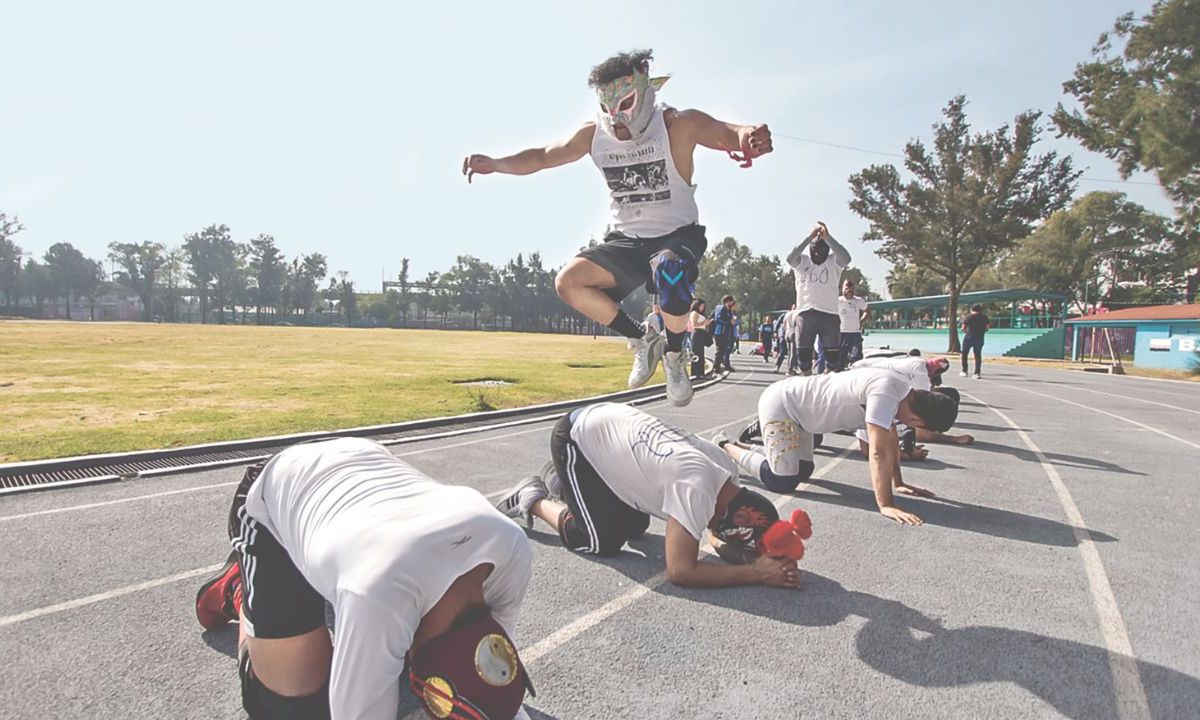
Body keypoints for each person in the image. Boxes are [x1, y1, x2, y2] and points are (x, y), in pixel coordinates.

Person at [463, 49, 773, 407]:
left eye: (626, 104)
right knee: (568, 281)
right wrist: (497, 164)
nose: (619, 120)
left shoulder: (676, 125)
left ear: (644, 91)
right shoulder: (593, 134)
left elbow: (726, 131)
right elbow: (544, 155)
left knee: (670, 270)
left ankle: (675, 356)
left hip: (675, 236)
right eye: (609, 110)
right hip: (626, 241)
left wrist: (749, 135)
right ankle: (643, 339)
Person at [193, 438, 535, 720]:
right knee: (294, 709)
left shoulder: (513, 549)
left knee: (380, 659)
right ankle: (239, 590)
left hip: (361, 470)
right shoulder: (377, 596)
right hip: (272, 500)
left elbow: (492, 672)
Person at [493, 403, 805, 588]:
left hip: (611, 429)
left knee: (635, 526)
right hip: (578, 439)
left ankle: (566, 485)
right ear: (738, 517)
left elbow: (715, 537)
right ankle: (533, 496)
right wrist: (754, 573)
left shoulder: (725, 473)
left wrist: (754, 559)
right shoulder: (696, 488)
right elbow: (681, 571)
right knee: (600, 540)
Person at [715, 369, 958, 525]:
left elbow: (891, 440)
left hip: (803, 416)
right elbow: (878, 451)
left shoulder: (903, 392)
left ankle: (745, 445)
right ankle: (725, 445)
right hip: (783, 404)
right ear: (917, 422)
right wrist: (886, 505)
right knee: (783, 481)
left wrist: (899, 483)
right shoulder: (886, 393)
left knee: (804, 471)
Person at [787, 222, 851, 375]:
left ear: (826, 251)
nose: (817, 256)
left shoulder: (833, 261)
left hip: (829, 313)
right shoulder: (802, 261)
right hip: (805, 312)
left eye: (821, 253)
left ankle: (825, 384)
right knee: (803, 361)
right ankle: (807, 382)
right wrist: (809, 237)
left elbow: (847, 258)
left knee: (832, 361)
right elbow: (790, 258)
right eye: (814, 252)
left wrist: (828, 238)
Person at [837, 279, 870, 370]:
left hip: (854, 333)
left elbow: (867, 311)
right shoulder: (838, 301)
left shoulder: (858, 301)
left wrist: (861, 320)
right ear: (843, 288)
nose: (848, 292)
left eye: (851, 290)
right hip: (841, 333)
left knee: (857, 356)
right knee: (839, 360)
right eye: (846, 289)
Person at [960, 304, 990, 379]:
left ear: (972, 309)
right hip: (979, 337)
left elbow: (963, 328)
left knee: (964, 354)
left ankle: (964, 371)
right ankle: (977, 373)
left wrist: (966, 331)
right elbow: (987, 328)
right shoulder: (984, 317)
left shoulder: (968, 317)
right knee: (977, 355)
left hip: (969, 337)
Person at [687, 298, 712, 379]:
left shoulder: (700, 314)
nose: (703, 308)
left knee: (701, 354)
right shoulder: (694, 313)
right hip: (697, 333)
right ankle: (696, 373)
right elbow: (694, 324)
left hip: (701, 333)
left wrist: (707, 324)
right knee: (697, 353)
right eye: (702, 306)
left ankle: (701, 373)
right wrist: (703, 322)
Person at [712, 295, 737, 373]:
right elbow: (719, 319)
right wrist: (729, 322)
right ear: (728, 302)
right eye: (731, 302)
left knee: (723, 349)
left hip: (726, 332)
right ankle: (716, 367)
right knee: (720, 350)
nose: (732, 304)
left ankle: (722, 365)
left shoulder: (728, 309)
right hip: (720, 331)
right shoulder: (722, 308)